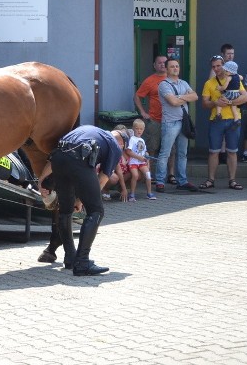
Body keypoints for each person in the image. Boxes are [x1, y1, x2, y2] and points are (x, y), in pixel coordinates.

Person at [37, 126, 127, 276]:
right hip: (78, 160)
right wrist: (83, 200)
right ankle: (83, 262)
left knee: (65, 210)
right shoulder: (114, 145)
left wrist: (41, 179)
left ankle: (70, 258)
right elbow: (103, 178)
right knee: (96, 210)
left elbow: (56, 155)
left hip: (59, 159)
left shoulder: (88, 129)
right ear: (122, 143)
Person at [199, 56, 247, 190]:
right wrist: (216, 103)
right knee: (213, 152)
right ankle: (210, 180)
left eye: (218, 66)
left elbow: (245, 97)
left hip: (233, 120)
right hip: (216, 120)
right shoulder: (209, 83)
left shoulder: (235, 79)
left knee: (232, 151)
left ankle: (232, 180)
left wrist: (231, 102)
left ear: (224, 66)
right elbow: (204, 104)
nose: (216, 69)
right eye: (213, 66)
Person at [155, 58, 199, 192]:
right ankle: (160, 181)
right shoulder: (163, 84)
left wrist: (178, 97)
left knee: (182, 153)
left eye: (177, 66)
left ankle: (182, 181)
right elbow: (172, 102)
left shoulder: (183, 83)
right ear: (167, 69)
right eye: (172, 66)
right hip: (170, 123)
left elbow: (195, 96)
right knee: (165, 153)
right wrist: (185, 97)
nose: (175, 68)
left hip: (183, 122)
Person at [134, 55, 168, 165]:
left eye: (164, 62)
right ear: (154, 65)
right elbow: (137, 96)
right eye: (159, 63)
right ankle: (149, 173)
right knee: (152, 147)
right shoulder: (149, 80)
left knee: (171, 149)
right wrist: (143, 112)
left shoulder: (172, 79)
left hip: (170, 120)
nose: (162, 64)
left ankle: (171, 174)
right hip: (155, 120)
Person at [125, 118, 154, 201]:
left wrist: (146, 157)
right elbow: (128, 151)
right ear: (133, 129)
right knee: (135, 175)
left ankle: (149, 193)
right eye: (137, 128)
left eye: (141, 129)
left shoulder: (142, 140)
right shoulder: (132, 139)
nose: (139, 130)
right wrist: (139, 157)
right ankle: (132, 194)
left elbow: (144, 152)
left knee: (148, 174)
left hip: (141, 162)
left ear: (143, 130)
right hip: (133, 162)